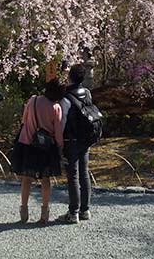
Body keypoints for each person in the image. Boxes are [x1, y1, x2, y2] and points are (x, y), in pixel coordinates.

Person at [11, 79, 64, 224]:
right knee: (45, 180)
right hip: (46, 148)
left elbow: (24, 120)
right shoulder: (56, 107)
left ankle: (24, 211)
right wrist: (60, 147)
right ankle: (44, 213)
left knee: (26, 179)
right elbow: (58, 131)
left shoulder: (33, 100)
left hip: (28, 143)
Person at [58, 64, 94, 224]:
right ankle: (85, 210)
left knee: (73, 175)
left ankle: (73, 212)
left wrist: (59, 141)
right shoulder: (87, 93)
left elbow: (62, 121)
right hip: (85, 139)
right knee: (84, 173)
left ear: (70, 77)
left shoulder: (66, 97)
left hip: (71, 140)